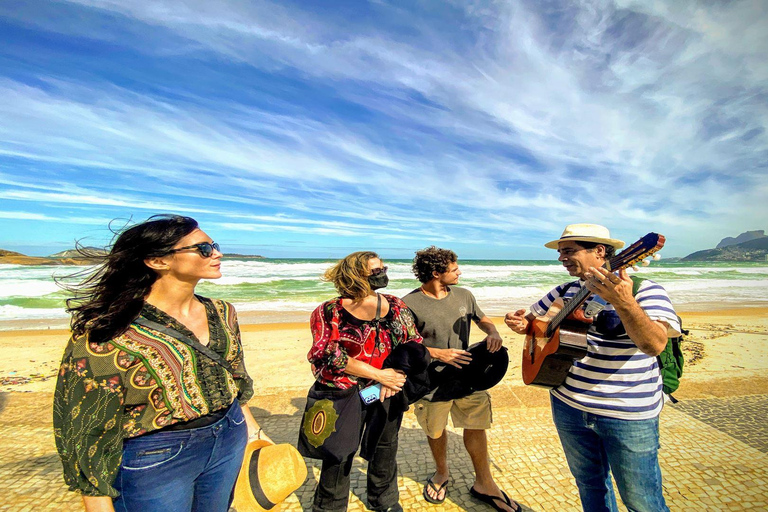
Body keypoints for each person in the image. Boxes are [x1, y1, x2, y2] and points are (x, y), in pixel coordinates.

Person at [53, 215, 265, 512]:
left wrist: (253, 431)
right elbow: (85, 426)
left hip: (228, 435)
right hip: (157, 456)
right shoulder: (110, 330)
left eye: (214, 246)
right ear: (157, 260)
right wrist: (97, 502)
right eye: (203, 249)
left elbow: (235, 377)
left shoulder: (222, 311)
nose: (217, 253)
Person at [505, 224, 681, 512]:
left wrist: (624, 304)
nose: (561, 258)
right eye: (560, 253)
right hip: (567, 405)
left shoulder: (645, 290)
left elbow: (654, 345)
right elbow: (535, 324)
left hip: (626, 413)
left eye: (569, 251)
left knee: (642, 500)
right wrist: (520, 324)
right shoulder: (565, 290)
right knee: (590, 485)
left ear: (600, 251)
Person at [402, 246, 519, 512]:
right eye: (454, 269)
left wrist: (493, 332)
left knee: (476, 425)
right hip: (430, 382)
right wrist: (436, 353)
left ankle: (485, 483)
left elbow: (483, 319)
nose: (459, 272)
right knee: (436, 430)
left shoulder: (464, 295)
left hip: (469, 376)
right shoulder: (408, 304)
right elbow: (403, 345)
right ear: (436, 273)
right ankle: (441, 474)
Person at [306, 251, 423, 512]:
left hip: (389, 390)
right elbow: (327, 354)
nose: (383, 273)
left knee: (385, 448)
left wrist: (394, 377)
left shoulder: (395, 304)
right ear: (356, 274)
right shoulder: (330, 310)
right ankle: (329, 508)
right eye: (376, 270)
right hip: (343, 393)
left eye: (384, 267)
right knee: (337, 454)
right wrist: (379, 375)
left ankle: (385, 502)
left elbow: (413, 343)